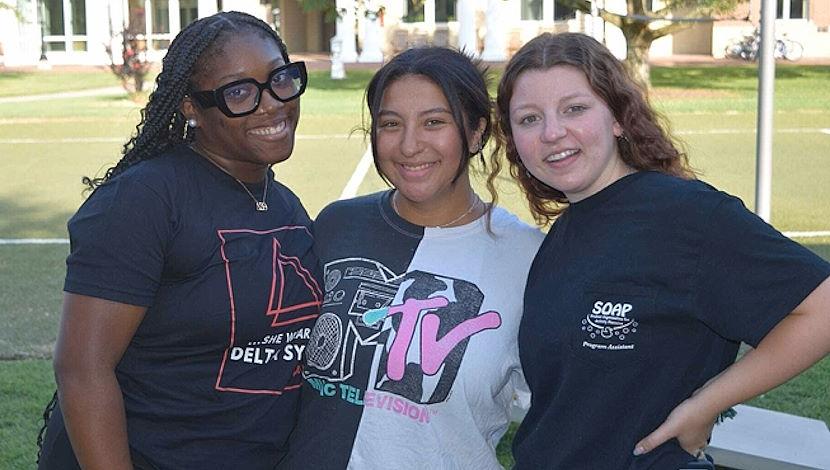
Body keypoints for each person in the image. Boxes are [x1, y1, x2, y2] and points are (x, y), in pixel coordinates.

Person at [493, 32, 830, 469]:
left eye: (575, 109)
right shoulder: (566, 232)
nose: (553, 132)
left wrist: (706, 404)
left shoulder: (686, 215)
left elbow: (821, 307)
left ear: (617, 118)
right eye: (529, 118)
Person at [37, 11, 321, 470]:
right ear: (191, 107)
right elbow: (82, 370)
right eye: (239, 92)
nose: (271, 104)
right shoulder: (146, 199)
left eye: (280, 79)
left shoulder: (283, 203)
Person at [280, 47, 544, 469]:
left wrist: (694, 404)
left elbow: (589, 390)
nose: (408, 145)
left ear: (477, 132)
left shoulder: (529, 257)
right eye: (390, 124)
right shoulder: (336, 225)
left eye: (434, 122)